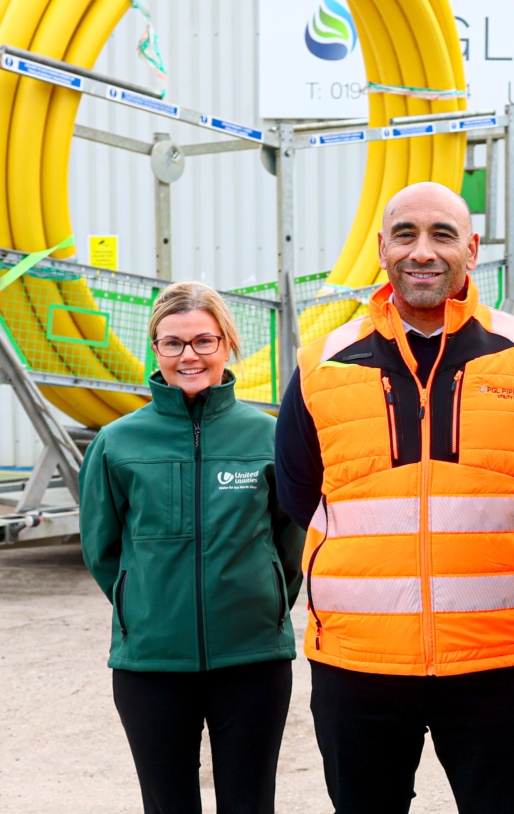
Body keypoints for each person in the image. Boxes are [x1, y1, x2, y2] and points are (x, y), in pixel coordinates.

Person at [275, 182, 514, 813]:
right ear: (381, 248)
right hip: (357, 662)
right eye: (405, 234)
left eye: (442, 235)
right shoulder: (322, 364)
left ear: (472, 250)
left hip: (497, 657)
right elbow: (298, 492)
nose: (422, 252)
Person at [80, 281, 303, 814]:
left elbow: (290, 541)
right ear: (155, 350)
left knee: (250, 804)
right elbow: (102, 548)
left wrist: (266, 600)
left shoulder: (268, 436)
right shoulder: (117, 442)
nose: (189, 356)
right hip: (151, 665)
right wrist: (145, 605)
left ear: (227, 344)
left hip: (252, 659)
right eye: (173, 343)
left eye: (204, 341)